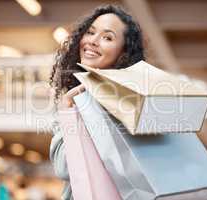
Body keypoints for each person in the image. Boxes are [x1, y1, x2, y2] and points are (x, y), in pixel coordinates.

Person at [49, 5, 145, 200]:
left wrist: (67, 112)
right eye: (91, 32)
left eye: (107, 37)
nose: (92, 41)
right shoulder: (86, 95)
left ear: (123, 53)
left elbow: (65, 168)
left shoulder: (114, 105)